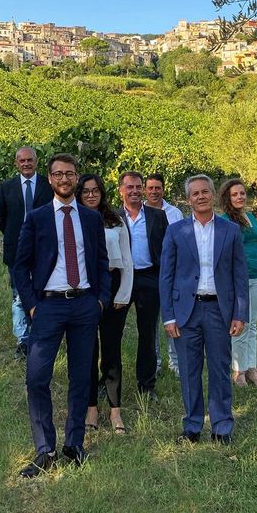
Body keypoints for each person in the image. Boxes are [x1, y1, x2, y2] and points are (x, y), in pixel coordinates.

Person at [14, 154, 111, 478]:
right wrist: (32, 305)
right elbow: (20, 266)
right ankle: (45, 449)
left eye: (69, 174)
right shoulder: (37, 217)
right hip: (49, 306)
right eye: (58, 174)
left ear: (77, 177)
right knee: (36, 377)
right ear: (50, 178)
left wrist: (100, 301)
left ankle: (74, 443)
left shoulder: (91, 219)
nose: (64, 179)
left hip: (84, 305)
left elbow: (102, 263)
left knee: (81, 377)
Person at [160, 174, 248, 444]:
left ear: (212, 194)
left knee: (220, 369)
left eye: (205, 191)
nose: (200, 196)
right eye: (195, 193)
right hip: (186, 311)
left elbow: (239, 274)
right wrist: (168, 316)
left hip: (219, 310)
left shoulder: (230, 230)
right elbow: (166, 275)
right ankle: (192, 426)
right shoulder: (176, 231)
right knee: (189, 370)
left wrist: (240, 313)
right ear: (188, 199)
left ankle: (221, 426)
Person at [76, 173, 133, 434]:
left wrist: (123, 294)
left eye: (95, 190)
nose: (91, 195)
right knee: (88, 352)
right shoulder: (73, 219)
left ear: (102, 192)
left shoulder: (115, 220)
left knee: (111, 352)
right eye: (85, 191)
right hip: (85, 288)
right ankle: (91, 408)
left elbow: (127, 260)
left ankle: (115, 410)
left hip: (112, 284)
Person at [0, 146, 54, 358]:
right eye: (22, 161)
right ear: (16, 163)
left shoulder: (48, 185)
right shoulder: (6, 187)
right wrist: (17, 238)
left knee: (42, 292)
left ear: (36, 162)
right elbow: (1, 219)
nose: (26, 164)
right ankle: (22, 339)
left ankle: (41, 334)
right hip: (16, 251)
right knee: (18, 294)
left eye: (30, 160)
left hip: (45, 250)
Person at [117, 171, 168, 400]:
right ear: (121, 190)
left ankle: (147, 385)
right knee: (113, 332)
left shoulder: (157, 216)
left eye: (138, 187)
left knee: (148, 334)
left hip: (149, 278)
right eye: (130, 187)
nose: (135, 191)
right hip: (121, 280)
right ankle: (109, 380)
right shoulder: (113, 217)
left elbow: (167, 250)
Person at [219, 178, 257, 387]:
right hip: (238, 277)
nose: (239, 197)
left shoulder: (251, 216)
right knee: (240, 323)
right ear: (228, 198)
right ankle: (238, 371)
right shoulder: (225, 220)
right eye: (235, 194)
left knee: (252, 324)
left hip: (256, 276)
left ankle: (251, 368)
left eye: (242, 193)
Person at [144, 172, 184, 378]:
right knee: (151, 322)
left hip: (173, 273)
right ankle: (155, 363)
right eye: (150, 188)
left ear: (163, 189)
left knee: (173, 319)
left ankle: (176, 363)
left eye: (157, 188)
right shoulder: (139, 212)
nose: (154, 192)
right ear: (145, 190)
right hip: (150, 274)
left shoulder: (175, 213)